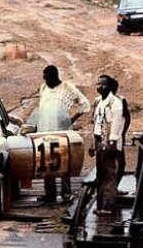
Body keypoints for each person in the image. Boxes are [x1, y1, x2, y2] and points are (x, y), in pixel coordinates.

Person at [37, 65, 90, 202]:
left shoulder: (67, 87)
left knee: (63, 162)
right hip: (45, 130)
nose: (46, 81)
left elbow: (85, 104)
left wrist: (71, 119)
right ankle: (50, 194)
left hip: (62, 131)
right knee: (47, 162)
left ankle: (66, 193)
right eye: (44, 78)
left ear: (55, 76)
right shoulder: (43, 88)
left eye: (47, 78)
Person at [89, 75, 124, 216]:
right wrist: (93, 144)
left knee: (109, 174)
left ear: (109, 86)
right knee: (100, 174)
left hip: (109, 141)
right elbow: (96, 123)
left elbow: (116, 123)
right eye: (98, 84)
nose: (99, 86)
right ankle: (101, 204)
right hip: (99, 139)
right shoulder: (99, 102)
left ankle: (108, 206)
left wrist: (111, 142)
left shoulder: (115, 102)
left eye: (103, 84)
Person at [109, 78, 130, 191]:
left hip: (117, 136)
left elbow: (127, 117)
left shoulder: (121, 100)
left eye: (114, 88)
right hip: (105, 136)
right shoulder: (100, 100)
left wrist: (123, 132)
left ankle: (114, 187)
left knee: (121, 163)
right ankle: (109, 188)